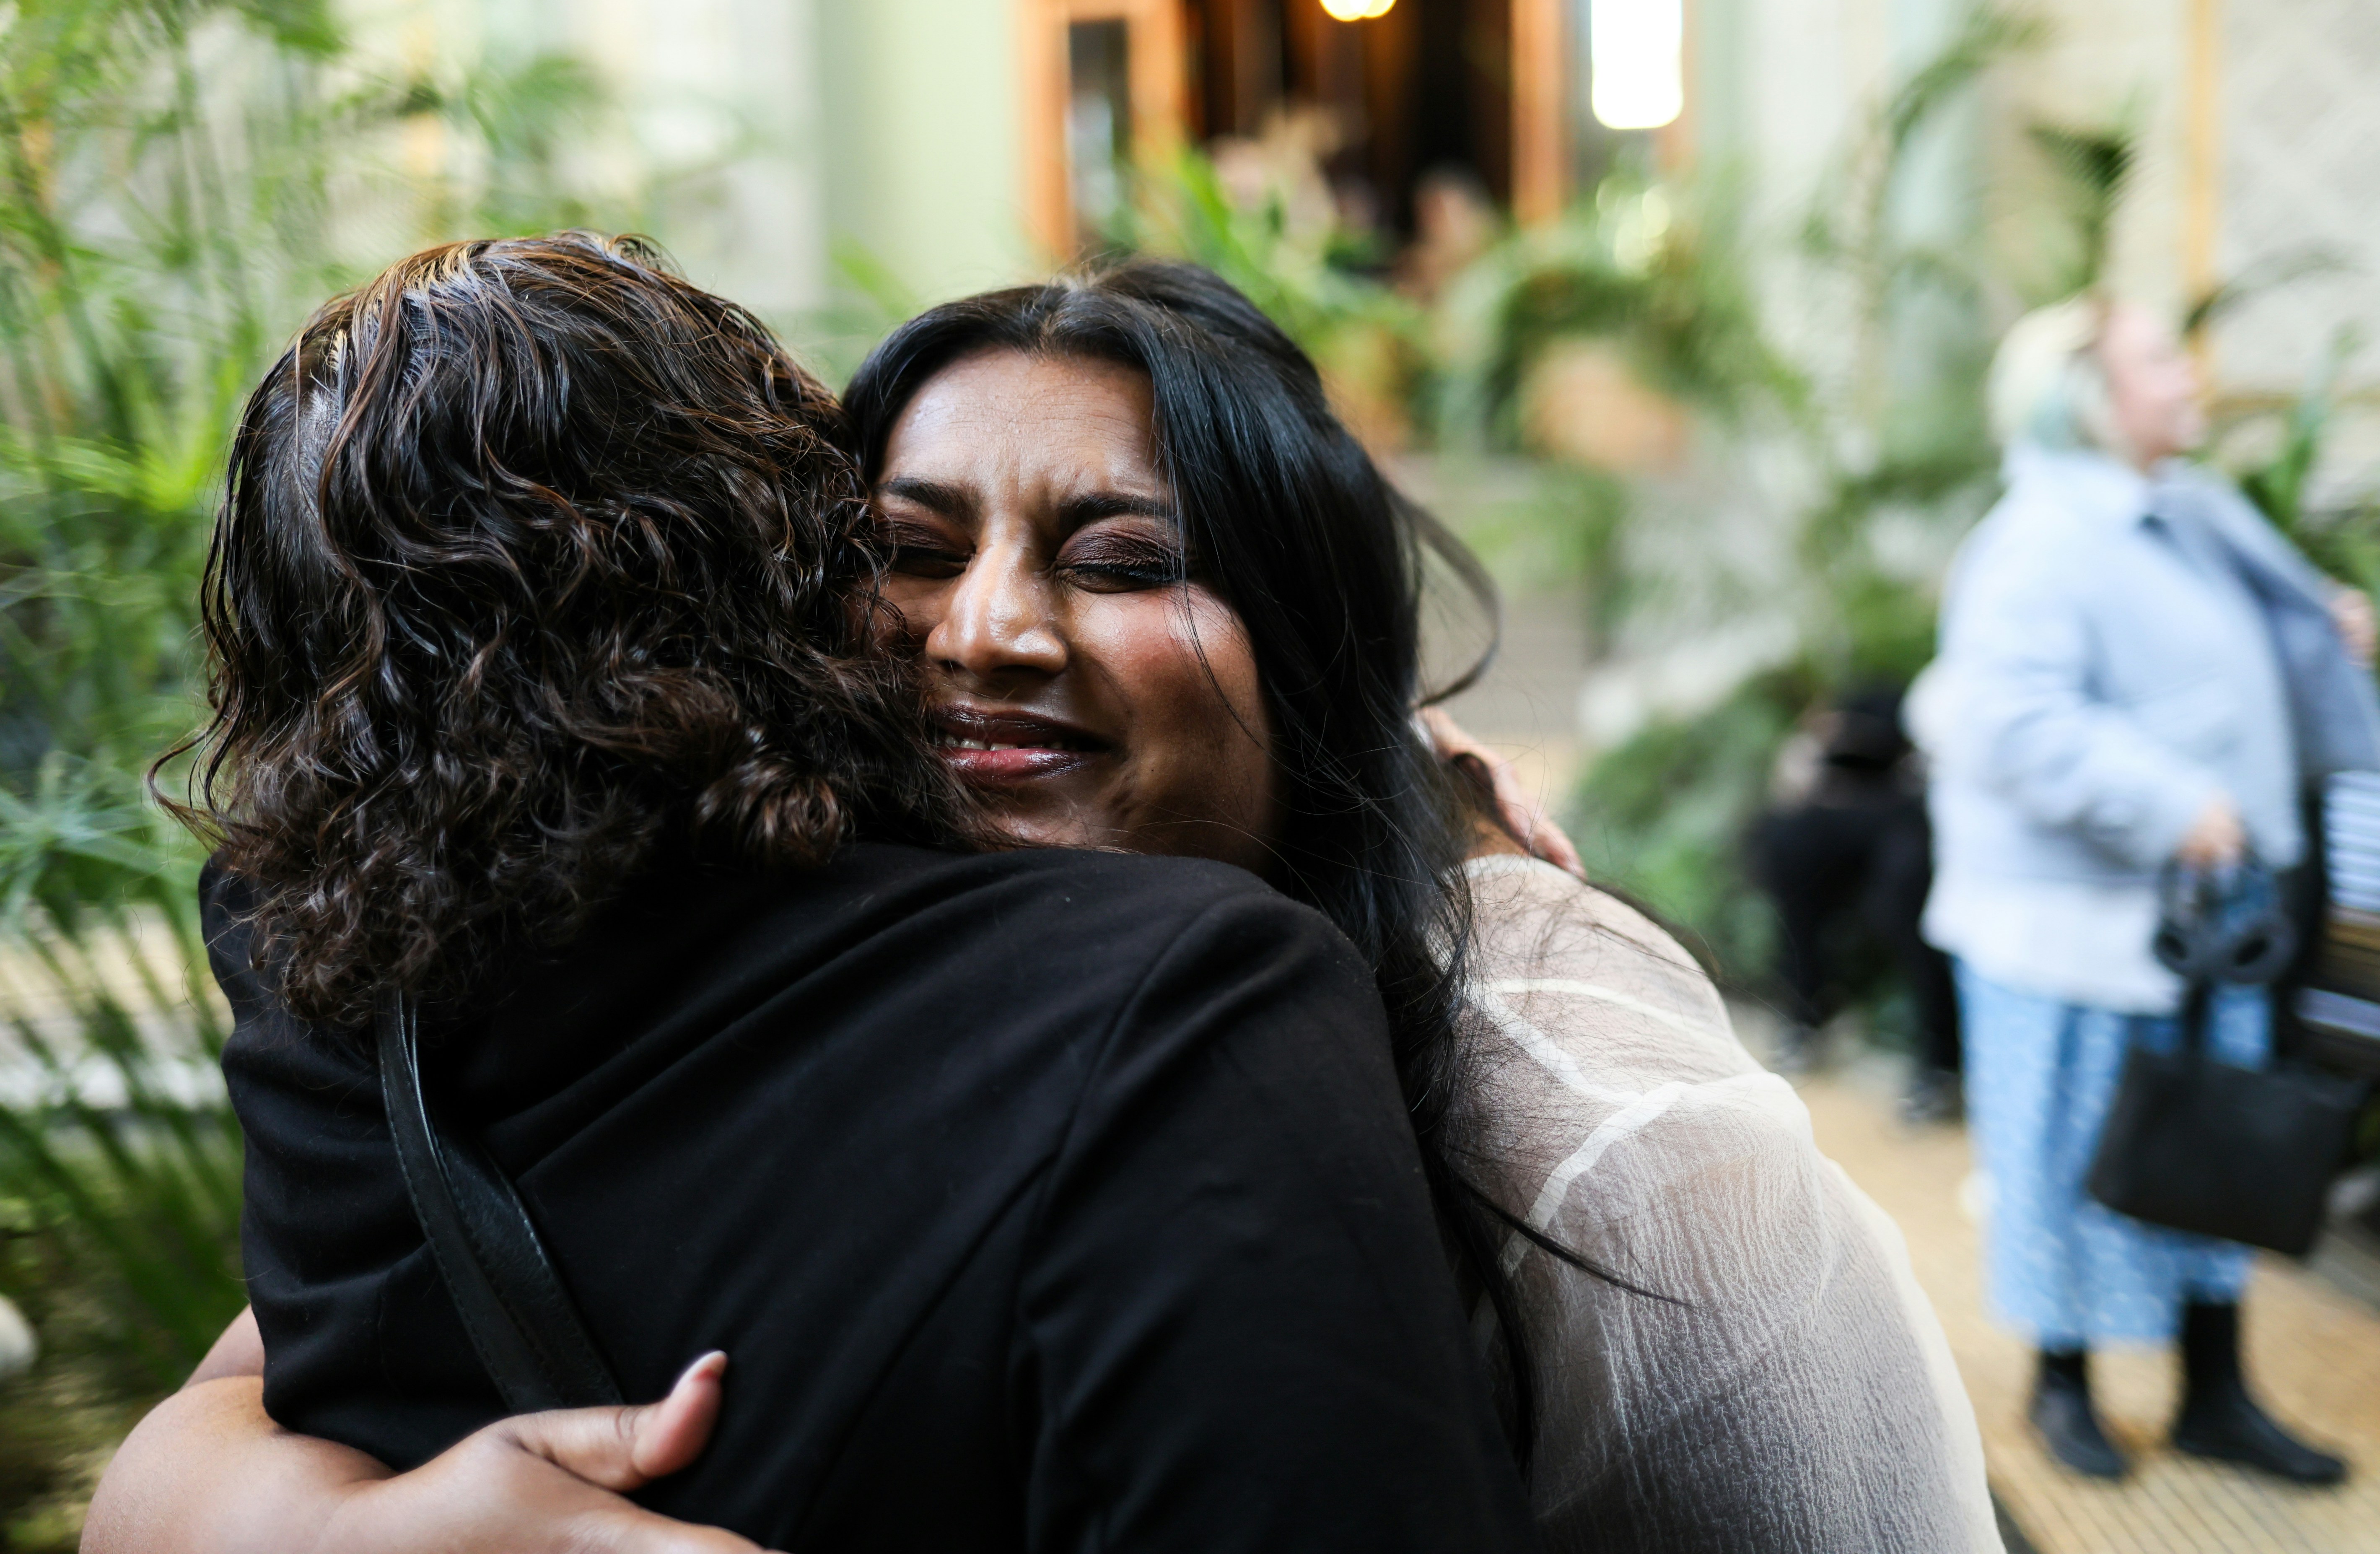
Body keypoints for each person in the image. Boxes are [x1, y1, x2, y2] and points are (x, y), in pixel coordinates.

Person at [92, 258, 2001, 1553]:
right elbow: (224, 1400)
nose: (988, 632)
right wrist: (308, 1523)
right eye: (905, 553)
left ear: (1317, 655)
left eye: (1120, 558)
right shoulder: (678, 964)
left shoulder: (1603, 1116)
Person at [1912, 294, 2378, 1484]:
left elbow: (2207, 662)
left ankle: (2210, 1392)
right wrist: (2170, 801)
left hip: (2206, 916)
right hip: (2073, 921)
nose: (2188, 378)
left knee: (2208, 1145)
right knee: (2061, 1152)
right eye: (2158, 360)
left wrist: (2313, 634)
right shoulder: (2039, 538)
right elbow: (2006, 716)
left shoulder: (2183, 509)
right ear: (2086, 397)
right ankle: (2058, 1388)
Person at [1747, 684, 1964, 1121]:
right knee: (1783, 840)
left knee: (1904, 891)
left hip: (1928, 815)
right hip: (1872, 803)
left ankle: (1941, 1063)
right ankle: (1807, 1011)